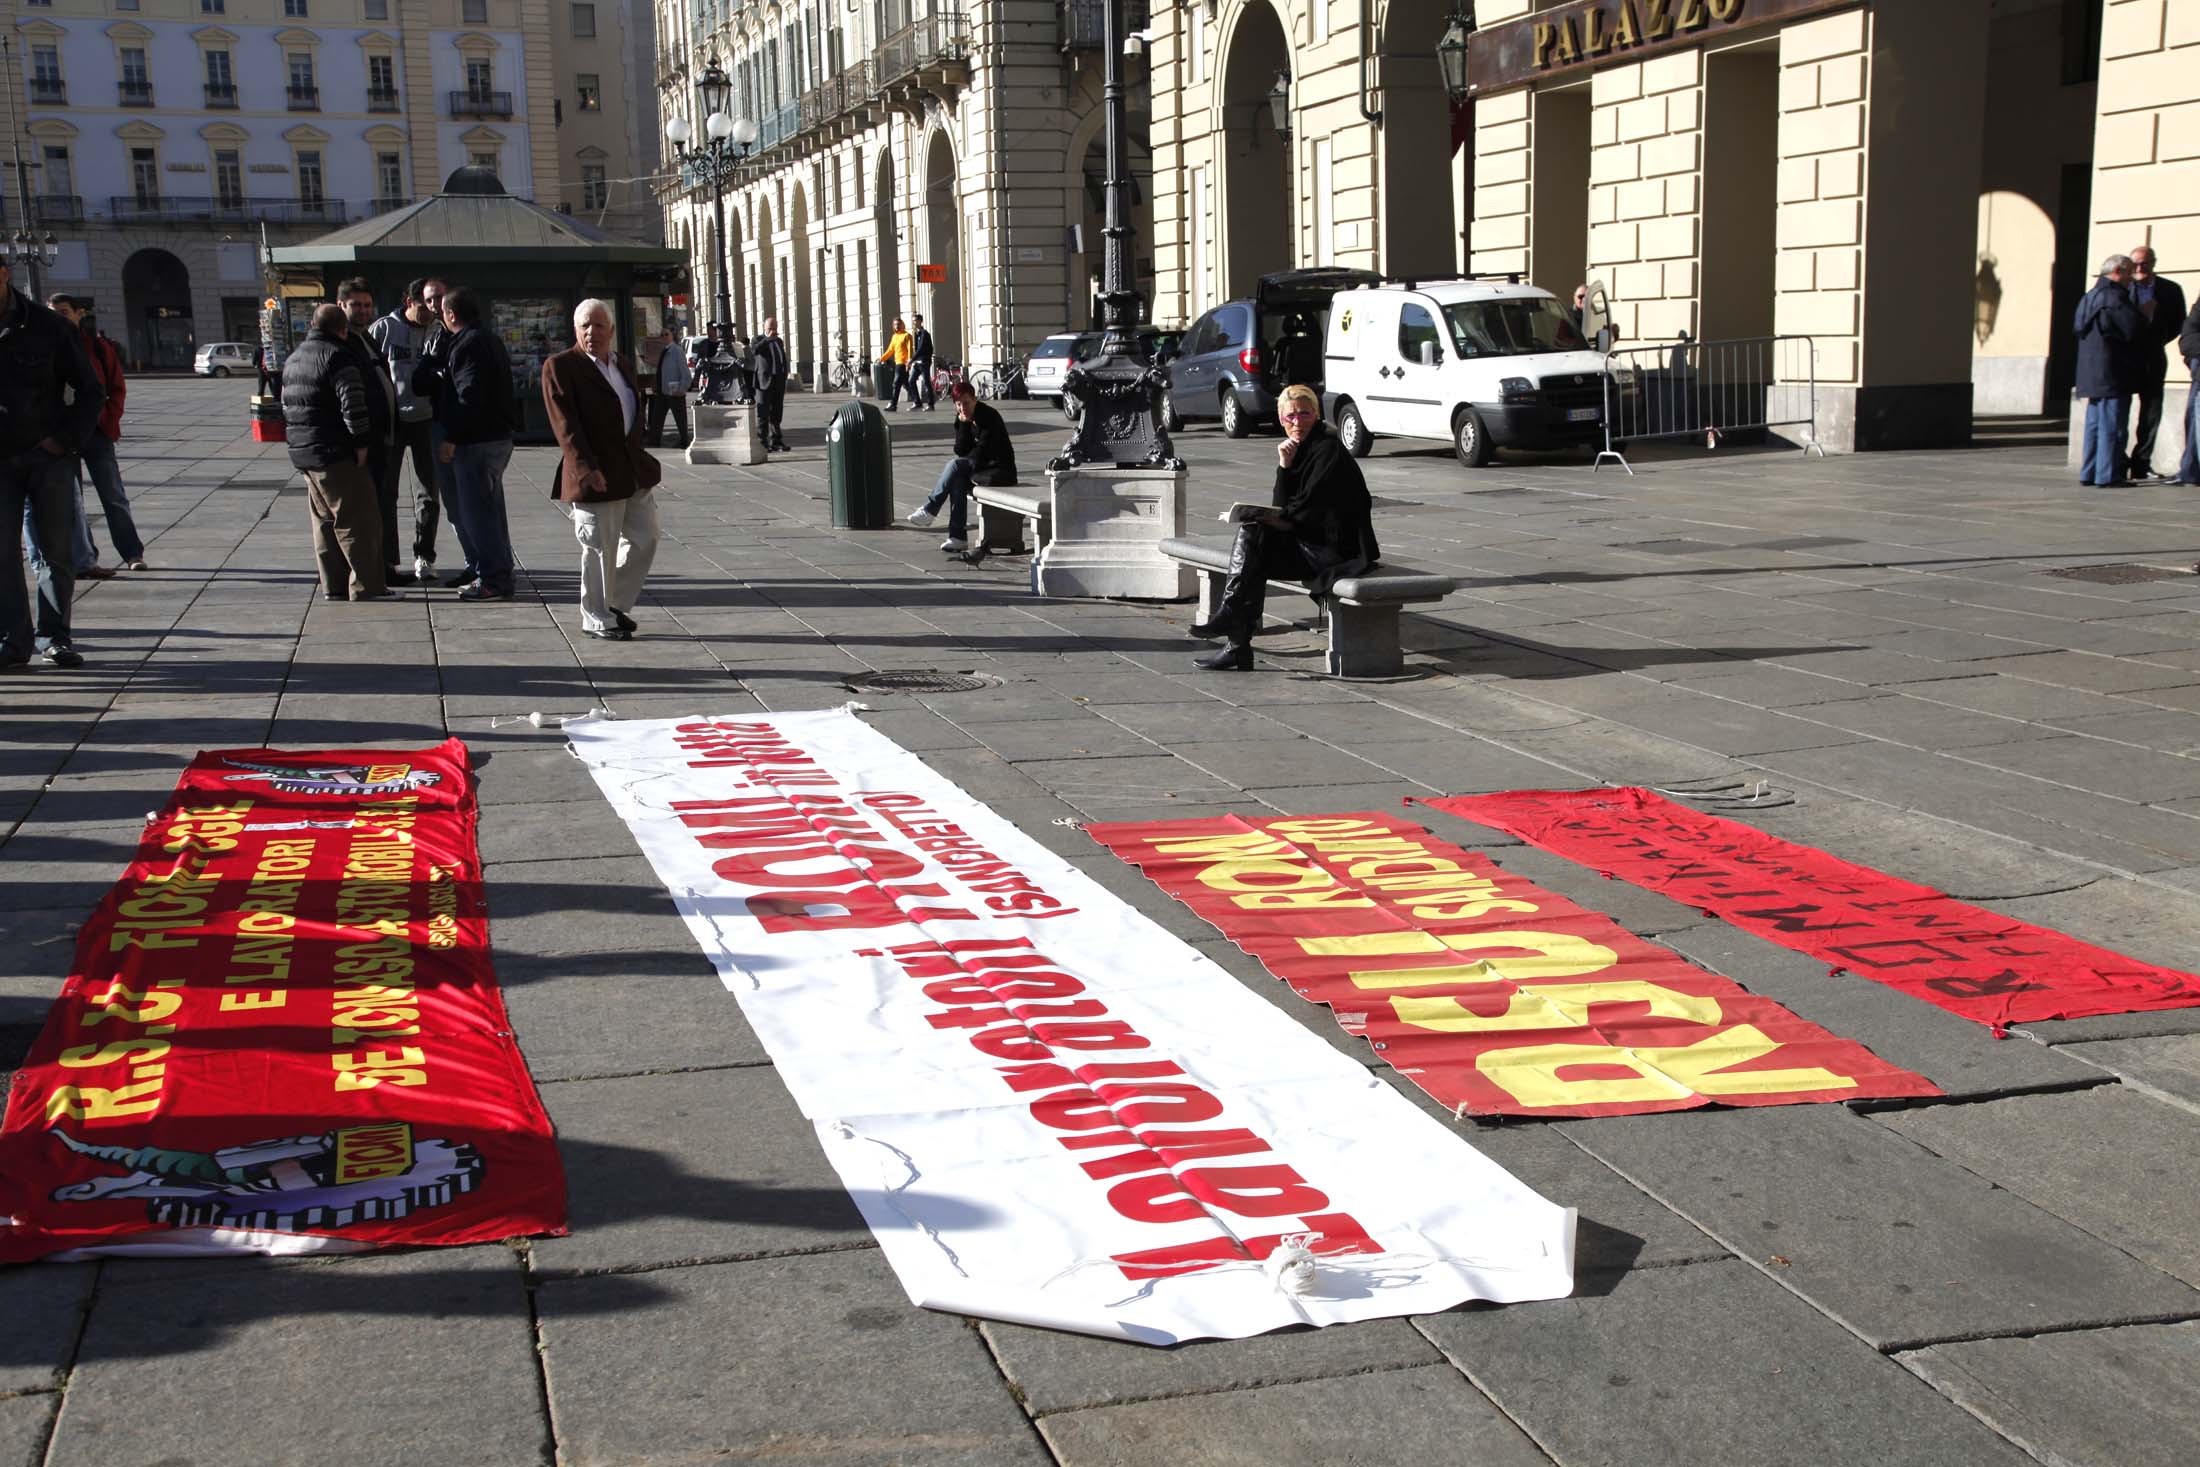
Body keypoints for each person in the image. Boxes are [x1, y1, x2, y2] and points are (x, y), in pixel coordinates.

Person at [1189, 384, 1378, 672]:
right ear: (1281, 419)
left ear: (1316, 415)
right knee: (1254, 542)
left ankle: (1234, 633)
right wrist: (1284, 466)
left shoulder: (1328, 449)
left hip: (1335, 551)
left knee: (1254, 544)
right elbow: (1282, 506)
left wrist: (1274, 518)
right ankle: (1235, 638)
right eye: (1290, 416)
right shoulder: (1297, 450)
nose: (1297, 421)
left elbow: (1306, 509)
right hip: (1308, 541)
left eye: (1304, 414)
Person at [0, 257, 104, 669]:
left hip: (48, 457)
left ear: (3, 274)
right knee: (3, 554)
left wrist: (63, 441)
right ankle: (12, 641)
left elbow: (91, 391)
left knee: (55, 551)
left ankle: (55, 637)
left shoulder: (49, 326)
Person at [543, 299, 663, 642]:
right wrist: (585, 468)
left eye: (597, 325)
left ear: (611, 330)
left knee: (646, 538)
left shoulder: (621, 364)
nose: (591, 332)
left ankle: (613, 604)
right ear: (575, 330)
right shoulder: (561, 366)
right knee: (599, 548)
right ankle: (596, 617)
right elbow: (565, 425)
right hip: (594, 473)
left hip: (630, 469)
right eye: (584, 325)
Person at [282, 303, 394, 602]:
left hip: (305, 452)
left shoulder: (295, 358)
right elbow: (353, 404)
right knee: (358, 520)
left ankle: (333, 585)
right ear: (343, 330)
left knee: (324, 521)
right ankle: (368, 586)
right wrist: (361, 442)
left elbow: (286, 406)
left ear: (313, 326)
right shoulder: (338, 356)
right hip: (336, 451)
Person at [414, 286, 517, 600]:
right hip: (496, 437)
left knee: (477, 514)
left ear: (450, 314)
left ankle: (494, 578)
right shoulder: (489, 339)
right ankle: (498, 571)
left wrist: (453, 437)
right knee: (490, 511)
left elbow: (468, 396)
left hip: (475, 441)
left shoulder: (466, 345)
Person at [48, 294, 146, 575]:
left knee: (113, 495)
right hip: (61, 433)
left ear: (78, 314)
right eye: (52, 312)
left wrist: (109, 420)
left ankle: (132, 552)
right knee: (71, 500)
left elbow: (116, 387)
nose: (57, 317)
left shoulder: (97, 347)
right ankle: (85, 558)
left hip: (96, 431)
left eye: (63, 312)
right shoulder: (44, 346)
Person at [339, 278, 414, 588]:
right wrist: (360, 439)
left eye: (367, 305)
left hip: (384, 439)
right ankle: (372, 571)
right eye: (356, 305)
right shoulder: (343, 343)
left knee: (384, 504)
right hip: (363, 443)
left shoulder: (366, 338)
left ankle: (385, 565)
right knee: (365, 510)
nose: (362, 311)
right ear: (341, 305)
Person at [368, 277, 443, 582]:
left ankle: (424, 555)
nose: (430, 311)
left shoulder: (438, 329)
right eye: (424, 305)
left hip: (427, 419)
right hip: (393, 420)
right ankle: (387, 560)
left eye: (434, 304)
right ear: (409, 302)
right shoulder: (384, 329)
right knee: (387, 492)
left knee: (429, 492)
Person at [413, 277, 476, 585]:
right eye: (429, 300)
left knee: (472, 503)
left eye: (439, 298)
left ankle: (482, 565)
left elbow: (469, 389)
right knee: (450, 501)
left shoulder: (466, 336)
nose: (435, 305)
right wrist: (437, 373)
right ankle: (476, 562)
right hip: (437, 423)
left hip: (463, 431)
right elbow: (420, 381)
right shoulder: (437, 337)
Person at [905, 381, 1017, 553]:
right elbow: (960, 449)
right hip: (981, 469)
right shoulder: (962, 418)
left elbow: (984, 450)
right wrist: (964, 425)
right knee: (957, 479)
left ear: (975, 400)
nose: (963, 408)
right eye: (958, 404)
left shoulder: (989, 416)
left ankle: (930, 510)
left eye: (966, 403)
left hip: (1000, 471)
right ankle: (957, 538)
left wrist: (966, 463)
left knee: (956, 466)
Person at [2075, 254, 2144, 488]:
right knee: (2112, 427)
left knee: (2094, 426)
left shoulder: (2090, 296)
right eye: (2129, 272)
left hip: (2092, 372)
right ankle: (2108, 474)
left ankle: (2089, 472)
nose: (2132, 277)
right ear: (2117, 272)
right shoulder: (2115, 298)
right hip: (2113, 372)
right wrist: (2145, 313)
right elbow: (2131, 331)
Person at [2126, 245, 2187, 482]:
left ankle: (2141, 463)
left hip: (2153, 356)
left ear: (2153, 263)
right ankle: (2117, 461)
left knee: (2151, 412)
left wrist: (2157, 339)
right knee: (2118, 411)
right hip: (2125, 358)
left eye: (2145, 263)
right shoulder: (2121, 288)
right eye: (2136, 264)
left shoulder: (2170, 289)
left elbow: (2178, 322)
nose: (2140, 268)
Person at [646, 329, 692, 448]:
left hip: (675, 392)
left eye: (666, 334)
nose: (664, 337)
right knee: (657, 418)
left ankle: (684, 441)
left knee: (680, 420)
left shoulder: (677, 351)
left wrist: (682, 388)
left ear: (672, 336)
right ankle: (654, 440)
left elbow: (685, 372)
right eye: (662, 335)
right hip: (663, 391)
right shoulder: (664, 351)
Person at [751, 317, 790, 451]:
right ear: (765, 328)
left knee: (777, 413)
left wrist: (784, 374)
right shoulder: (757, 340)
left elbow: (782, 358)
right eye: (770, 328)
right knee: (763, 413)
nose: (773, 331)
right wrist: (767, 339)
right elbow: (754, 351)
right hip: (764, 382)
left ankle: (776, 440)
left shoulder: (779, 341)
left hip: (778, 380)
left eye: (775, 328)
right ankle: (762, 442)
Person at [877, 317, 913, 410]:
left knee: (896, 383)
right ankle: (917, 401)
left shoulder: (907, 336)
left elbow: (910, 349)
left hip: (902, 363)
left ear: (903, 325)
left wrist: (909, 361)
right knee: (906, 384)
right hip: (897, 363)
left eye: (899, 324)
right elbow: (890, 350)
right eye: (895, 324)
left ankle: (893, 404)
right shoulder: (894, 337)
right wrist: (882, 358)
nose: (897, 326)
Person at [910, 313, 937, 410]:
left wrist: (911, 359)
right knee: (911, 381)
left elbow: (921, 348)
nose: (914, 323)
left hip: (924, 362)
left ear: (920, 321)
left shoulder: (924, 334)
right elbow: (916, 349)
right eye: (913, 321)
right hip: (917, 362)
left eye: (915, 321)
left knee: (926, 382)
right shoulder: (916, 334)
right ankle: (917, 402)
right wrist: (914, 360)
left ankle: (930, 404)